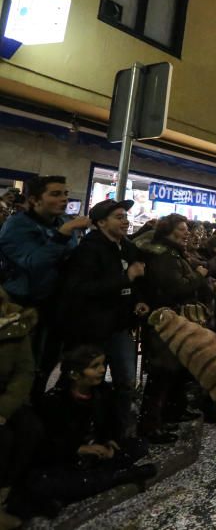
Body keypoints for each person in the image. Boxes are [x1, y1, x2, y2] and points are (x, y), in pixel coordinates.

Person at [60, 199, 150, 436]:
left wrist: (139, 300)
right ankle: (81, 435)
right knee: (89, 383)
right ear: (101, 223)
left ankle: (119, 433)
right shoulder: (87, 251)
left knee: (126, 382)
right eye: (118, 217)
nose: (125, 221)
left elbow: (137, 283)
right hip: (92, 329)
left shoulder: (128, 248)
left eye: (125, 216)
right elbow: (82, 289)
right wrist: (125, 278)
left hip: (120, 327)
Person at [29, 345, 155, 508]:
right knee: (44, 482)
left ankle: (94, 480)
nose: (102, 370)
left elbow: (108, 425)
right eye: (95, 367)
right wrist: (79, 449)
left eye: (102, 364)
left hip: (95, 457)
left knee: (139, 445)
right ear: (74, 374)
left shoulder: (102, 393)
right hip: (68, 460)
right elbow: (50, 444)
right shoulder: (55, 401)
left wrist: (108, 441)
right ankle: (120, 476)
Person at [0, 175, 90, 390]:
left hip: (56, 305)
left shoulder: (63, 222)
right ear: (34, 200)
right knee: (22, 368)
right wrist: (62, 235)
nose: (64, 199)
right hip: (23, 306)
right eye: (55, 194)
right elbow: (33, 262)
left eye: (66, 194)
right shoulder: (17, 225)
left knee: (47, 363)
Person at [136, 215, 211, 443]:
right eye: (182, 228)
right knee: (161, 373)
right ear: (169, 231)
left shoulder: (174, 253)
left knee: (174, 371)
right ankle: (151, 425)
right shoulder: (163, 255)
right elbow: (176, 287)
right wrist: (199, 276)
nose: (187, 232)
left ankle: (169, 414)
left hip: (174, 321)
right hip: (165, 321)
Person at [0, 289, 43, 528]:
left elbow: (24, 371)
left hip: (9, 399)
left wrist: (4, 408)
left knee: (31, 429)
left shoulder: (15, 326)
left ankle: (8, 494)